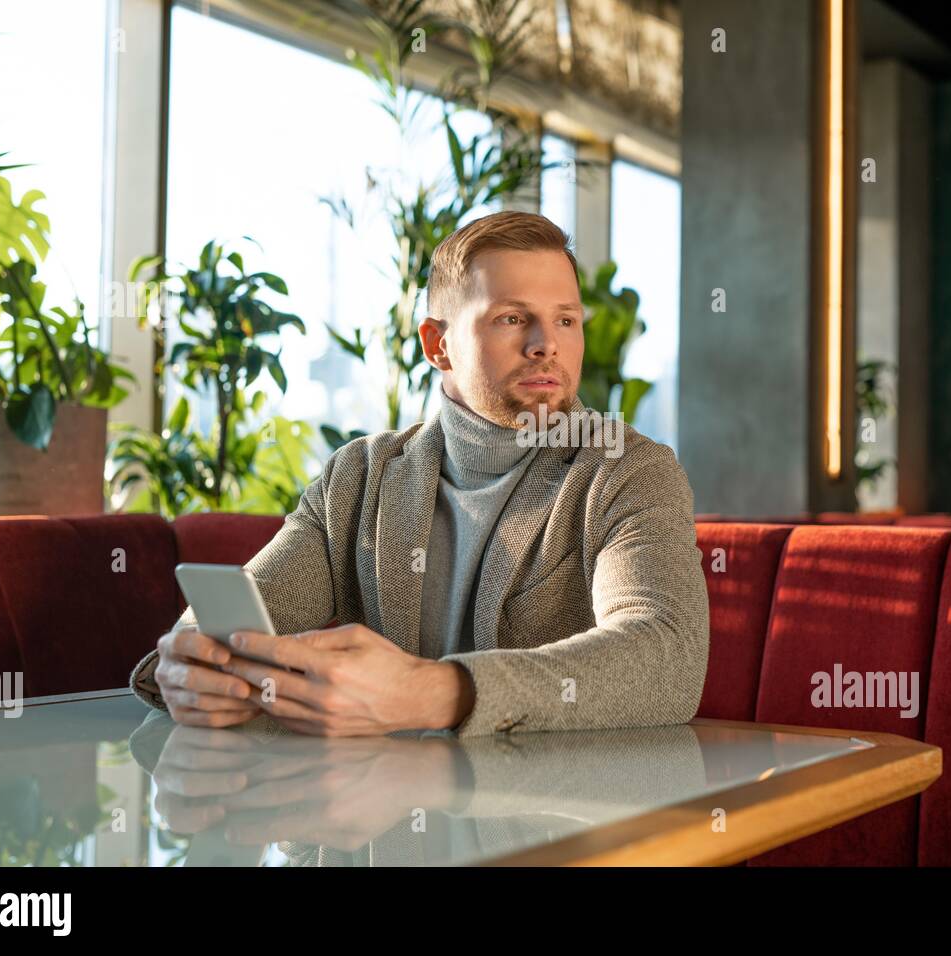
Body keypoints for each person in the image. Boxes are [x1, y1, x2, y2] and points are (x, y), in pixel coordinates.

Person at [129, 210, 709, 737]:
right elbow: (245, 616)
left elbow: (664, 657)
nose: (546, 345)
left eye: (566, 320)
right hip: (382, 831)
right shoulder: (359, 477)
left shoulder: (627, 469)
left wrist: (436, 693)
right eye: (513, 318)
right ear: (438, 344)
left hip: (558, 830)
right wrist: (190, 666)